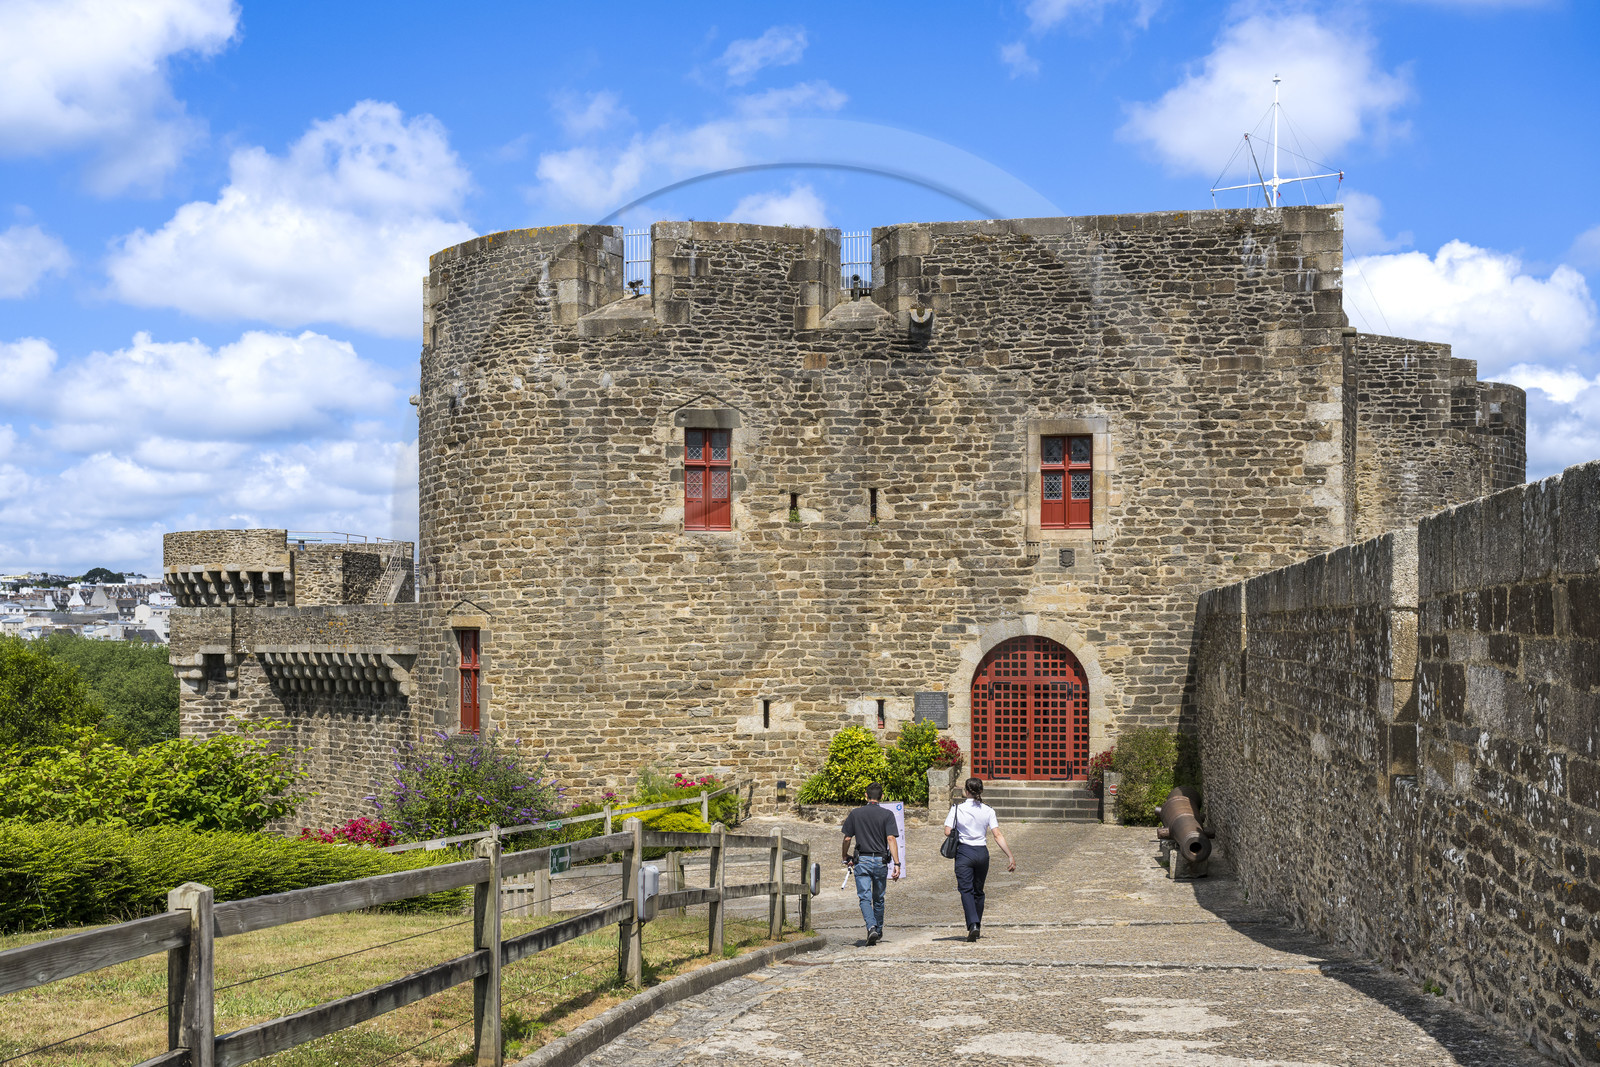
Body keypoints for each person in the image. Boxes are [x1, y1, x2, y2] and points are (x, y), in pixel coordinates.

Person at [942, 777, 1015, 941]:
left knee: (966, 890)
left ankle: (973, 924)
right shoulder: (988, 810)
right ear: (980, 791)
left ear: (966, 791)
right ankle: (977, 925)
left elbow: (947, 831)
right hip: (982, 853)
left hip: (964, 852)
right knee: (978, 891)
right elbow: (997, 834)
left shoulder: (956, 809)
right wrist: (1009, 855)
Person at [841, 781, 901, 945]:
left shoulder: (855, 814)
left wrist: (845, 855)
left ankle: (871, 927)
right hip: (881, 860)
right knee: (879, 898)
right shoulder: (887, 815)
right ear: (881, 797)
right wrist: (897, 863)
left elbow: (847, 838)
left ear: (866, 796)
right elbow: (891, 839)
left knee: (865, 898)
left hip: (863, 860)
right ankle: (878, 930)